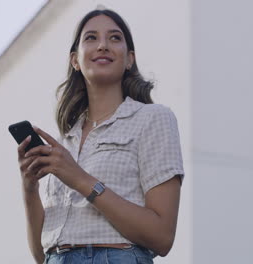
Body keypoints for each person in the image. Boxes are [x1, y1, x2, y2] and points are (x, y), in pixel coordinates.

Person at [17, 9, 184, 264]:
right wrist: (29, 187)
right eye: (91, 38)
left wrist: (79, 179)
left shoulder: (152, 119)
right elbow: (42, 254)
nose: (103, 45)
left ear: (129, 59)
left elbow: (162, 237)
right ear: (75, 60)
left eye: (115, 38)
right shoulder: (64, 144)